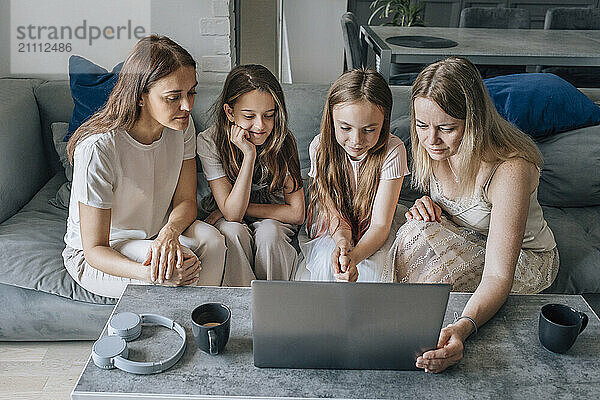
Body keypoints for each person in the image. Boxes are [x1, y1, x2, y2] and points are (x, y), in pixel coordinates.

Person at [387, 56, 559, 373]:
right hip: (465, 235)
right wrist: (429, 205)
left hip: (522, 258)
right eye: (421, 125)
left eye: (447, 128)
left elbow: (497, 275)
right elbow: (449, 203)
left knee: (432, 268)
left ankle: (428, 340)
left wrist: (464, 326)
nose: (430, 139)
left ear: (474, 121)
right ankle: (402, 329)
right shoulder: (433, 146)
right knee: (412, 231)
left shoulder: (509, 170)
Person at [63, 35, 226, 298]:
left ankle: (210, 323)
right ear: (141, 96)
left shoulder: (180, 126)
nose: (187, 106)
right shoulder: (98, 148)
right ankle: (189, 328)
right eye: (173, 97)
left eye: (191, 92)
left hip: (155, 235)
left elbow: (186, 200)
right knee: (178, 265)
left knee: (215, 241)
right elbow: (94, 250)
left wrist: (169, 233)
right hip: (103, 254)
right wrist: (153, 275)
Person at [297, 68, 409, 282]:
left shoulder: (393, 150)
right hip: (332, 225)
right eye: (346, 128)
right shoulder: (320, 147)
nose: (356, 140)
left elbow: (380, 225)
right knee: (326, 264)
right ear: (332, 120)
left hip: (375, 226)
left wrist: (354, 257)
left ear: (384, 123)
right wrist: (342, 243)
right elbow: (333, 213)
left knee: (374, 272)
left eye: (369, 130)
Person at [197, 64, 304, 286]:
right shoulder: (209, 141)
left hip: (273, 214)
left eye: (269, 115)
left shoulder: (283, 140)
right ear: (229, 112)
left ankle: (275, 302)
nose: (260, 125)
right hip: (231, 217)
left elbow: (296, 213)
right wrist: (248, 155)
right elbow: (233, 215)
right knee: (231, 231)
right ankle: (241, 304)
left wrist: (227, 209)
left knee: (269, 233)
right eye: (249, 116)